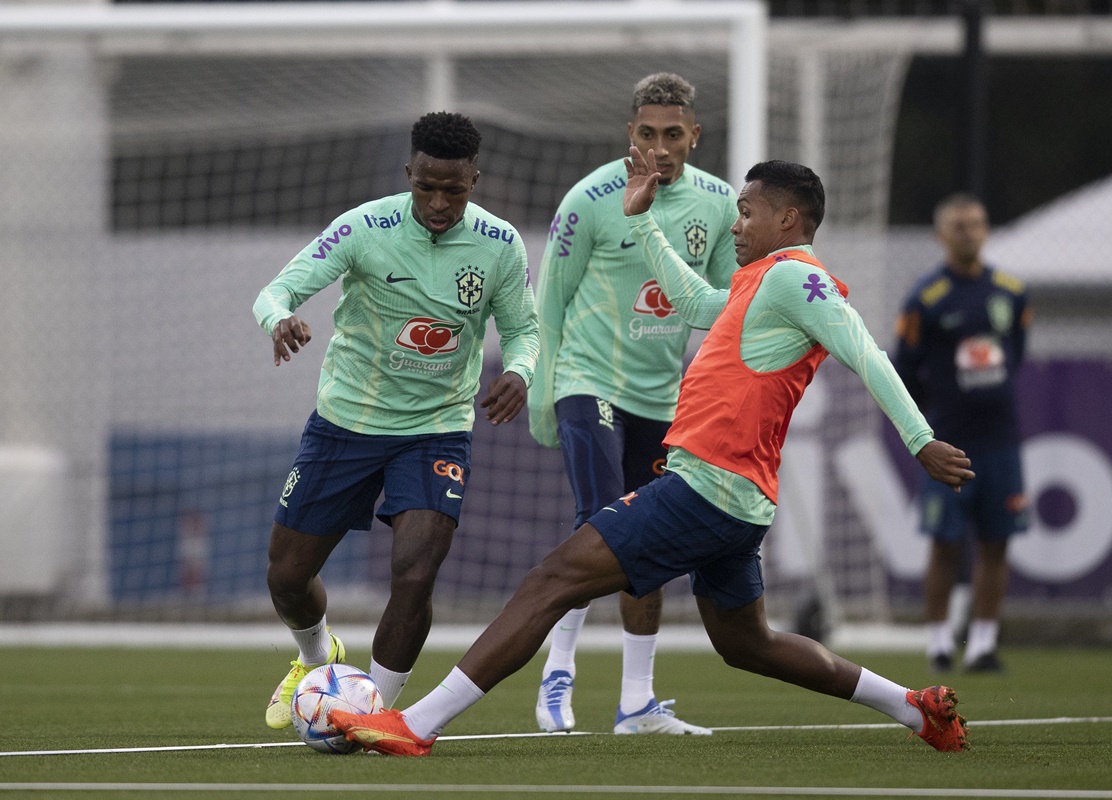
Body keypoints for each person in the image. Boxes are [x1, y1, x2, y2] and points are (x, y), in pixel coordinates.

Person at [327, 148, 975, 756]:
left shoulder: (798, 280)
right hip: (734, 497)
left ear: (788, 218)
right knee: (748, 643)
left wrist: (920, 442)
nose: (736, 225)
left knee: (549, 581)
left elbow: (866, 352)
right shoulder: (759, 283)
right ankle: (917, 709)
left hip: (707, 490)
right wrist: (644, 224)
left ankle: (415, 725)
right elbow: (693, 299)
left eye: (747, 214)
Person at [251, 111, 538, 730]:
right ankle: (316, 654)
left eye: (454, 190)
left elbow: (524, 331)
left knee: (415, 571)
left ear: (474, 180)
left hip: (436, 428)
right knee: (287, 576)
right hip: (346, 423)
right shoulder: (363, 227)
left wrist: (520, 371)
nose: (439, 202)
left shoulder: (499, 244)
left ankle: (372, 711)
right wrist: (280, 320)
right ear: (409, 173)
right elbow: (276, 292)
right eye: (426, 186)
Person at [527, 72, 737, 736]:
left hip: (664, 398)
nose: (660, 146)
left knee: (649, 542)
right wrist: (542, 394)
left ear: (694, 135)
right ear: (630, 134)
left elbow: (729, 307)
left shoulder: (721, 205)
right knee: (600, 521)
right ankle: (557, 671)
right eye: (647, 133)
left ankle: (637, 703)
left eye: (673, 134)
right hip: (588, 381)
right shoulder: (589, 200)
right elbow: (549, 304)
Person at [893, 192, 1031, 674]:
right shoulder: (926, 298)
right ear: (941, 235)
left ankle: (983, 645)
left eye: (976, 223)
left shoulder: (1011, 291)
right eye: (959, 225)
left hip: (1002, 439)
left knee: (997, 543)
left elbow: (1017, 352)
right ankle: (938, 643)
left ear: (987, 229)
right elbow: (904, 369)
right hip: (949, 442)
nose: (969, 232)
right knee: (944, 543)